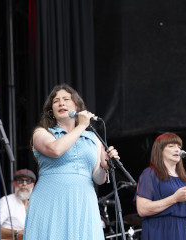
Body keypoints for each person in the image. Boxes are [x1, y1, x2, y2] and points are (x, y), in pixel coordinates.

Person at [23, 84, 119, 239]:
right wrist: (81, 125)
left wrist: (105, 166)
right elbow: (55, 150)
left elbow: (98, 178)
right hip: (51, 201)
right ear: (51, 110)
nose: (61, 103)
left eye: (66, 99)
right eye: (56, 101)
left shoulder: (93, 139)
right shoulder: (42, 133)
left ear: (77, 106)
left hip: (83, 202)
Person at [135, 132, 186, 240]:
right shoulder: (150, 175)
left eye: (179, 147)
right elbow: (142, 209)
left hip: (184, 234)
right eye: (171, 146)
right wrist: (174, 198)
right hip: (160, 232)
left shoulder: (185, 181)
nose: (177, 150)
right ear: (160, 150)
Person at [0, 169, 36, 239]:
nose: (24, 184)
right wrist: (16, 234)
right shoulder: (6, 201)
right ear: (14, 183)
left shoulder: (35, 207)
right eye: (20, 181)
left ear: (33, 185)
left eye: (28, 181)